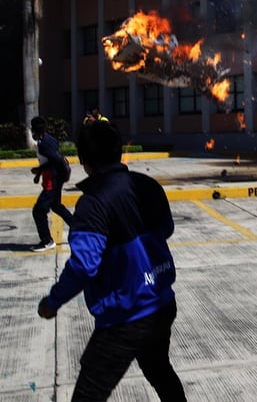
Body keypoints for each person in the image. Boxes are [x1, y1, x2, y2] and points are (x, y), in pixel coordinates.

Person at [37, 120, 186, 402]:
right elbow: (166, 229)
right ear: (119, 151)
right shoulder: (148, 185)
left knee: (89, 394)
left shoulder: (93, 203)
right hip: (162, 304)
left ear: (83, 160)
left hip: (125, 316)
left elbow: (84, 266)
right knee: (160, 371)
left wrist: (52, 302)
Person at [29, 116, 73, 251]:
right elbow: (51, 159)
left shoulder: (42, 145)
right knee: (56, 206)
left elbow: (54, 160)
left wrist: (38, 170)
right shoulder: (50, 139)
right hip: (55, 178)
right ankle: (80, 227)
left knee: (38, 211)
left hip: (52, 180)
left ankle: (47, 241)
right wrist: (38, 174)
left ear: (34, 130)